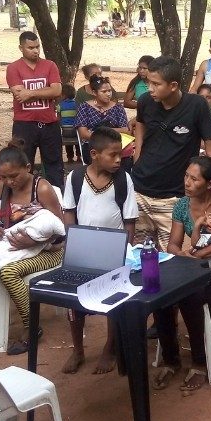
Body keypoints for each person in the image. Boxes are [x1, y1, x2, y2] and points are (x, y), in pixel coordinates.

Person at [153, 156, 211, 393]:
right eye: (186, 175)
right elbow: (173, 245)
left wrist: (203, 253)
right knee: (158, 288)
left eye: (194, 178)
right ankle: (171, 359)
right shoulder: (182, 205)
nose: (187, 182)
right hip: (197, 267)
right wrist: (186, 256)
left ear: (209, 184)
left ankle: (199, 363)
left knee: (190, 295)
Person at [0, 139, 64, 355]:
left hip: (50, 251)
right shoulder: (1, 188)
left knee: (9, 273)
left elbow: (61, 230)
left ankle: (31, 327)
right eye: (4, 177)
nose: (9, 182)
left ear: (28, 168)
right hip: (12, 250)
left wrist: (36, 241)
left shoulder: (43, 188)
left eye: (14, 176)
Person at [61, 127, 138, 375]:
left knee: (112, 298)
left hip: (114, 251)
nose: (118, 160)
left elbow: (129, 220)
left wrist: (123, 251)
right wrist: (73, 244)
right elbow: (69, 212)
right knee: (74, 300)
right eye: (113, 155)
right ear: (94, 154)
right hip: (82, 250)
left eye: (120, 155)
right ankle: (78, 349)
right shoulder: (74, 178)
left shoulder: (123, 179)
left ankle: (109, 347)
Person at [132, 56, 211, 249]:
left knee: (170, 259)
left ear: (173, 86)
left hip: (173, 197)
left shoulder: (196, 106)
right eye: (149, 83)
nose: (150, 89)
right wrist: (137, 155)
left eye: (156, 84)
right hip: (139, 193)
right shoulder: (145, 101)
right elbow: (140, 124)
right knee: (139, 256)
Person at [6, 31, 64, 188]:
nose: (36, 50)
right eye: (31, 47)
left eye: (37, 47)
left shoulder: (50, 65)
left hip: (49, 124)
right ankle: (24, 201)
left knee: (55, 165)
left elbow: (57, 91)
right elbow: (19, 95)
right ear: (21, 48)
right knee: (22, 165)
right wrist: (46, 91)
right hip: (24, 124)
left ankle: (57, 199)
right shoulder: (13, 68)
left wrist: (30, 93)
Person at [76, 74, 131, 165]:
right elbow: (83, 134)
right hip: (93, 146)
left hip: (115, 146)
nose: (108, 94)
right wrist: (108, 137)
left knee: (125, 159)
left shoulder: (117, 108)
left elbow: (126, 131)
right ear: (94, 93)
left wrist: (104, 131)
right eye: (104, 91)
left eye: (110, 91)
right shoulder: (84, 107)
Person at [59, 84, 79, 164]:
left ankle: (70, 158)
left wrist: (61, 124)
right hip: (76, 130)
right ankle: (79, 157)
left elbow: (58, 118)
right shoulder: (77, 104)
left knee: (68, 145)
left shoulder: (60, 105)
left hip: (65, 130)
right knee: (78, 142)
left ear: (63, 95)